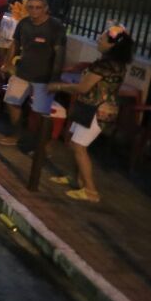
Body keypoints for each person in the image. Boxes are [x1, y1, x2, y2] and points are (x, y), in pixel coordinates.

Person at [47, 25, 134, 203]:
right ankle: (75, 179)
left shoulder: (105, 65)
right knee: (74, 143)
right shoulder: (116, 64)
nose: (98, 40)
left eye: (102, 38)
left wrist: (57, 86)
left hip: (97, 110)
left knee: (79, 147)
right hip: (91, 107)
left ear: (112, 45)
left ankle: (91, 191)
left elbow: (82, 87)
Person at [0, 0, 67, 147]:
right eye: (31, 7)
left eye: (38, 7)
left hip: (44, 76)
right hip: (22, 71)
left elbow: (60, 54)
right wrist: (7, 63)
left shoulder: (55, 27)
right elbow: (15, 44)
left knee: (42, 113)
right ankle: (16, 134)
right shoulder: (23, 23)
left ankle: (45, 146)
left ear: (46, 9)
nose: (34, 10)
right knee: (11, 101)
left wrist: (54, 79)